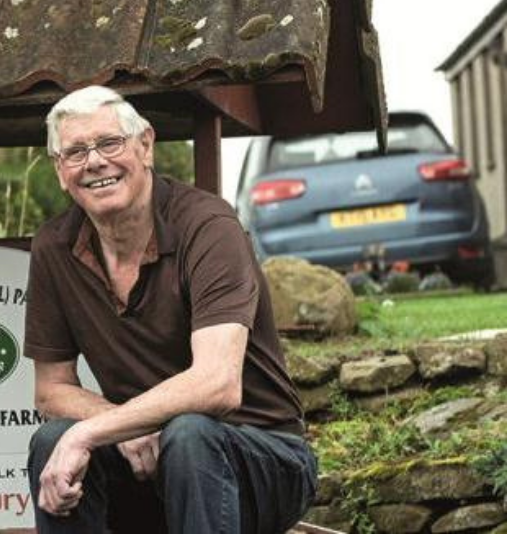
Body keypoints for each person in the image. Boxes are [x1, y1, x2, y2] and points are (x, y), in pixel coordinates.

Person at [23, 86, 317, 533]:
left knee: (189, 432)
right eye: (76, 152)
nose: (95, 162)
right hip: (144, 462)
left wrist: (93, 430)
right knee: (52, 439)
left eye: (109, 143)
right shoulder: (54, 246)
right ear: (61, 172)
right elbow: (51, 390)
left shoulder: (208, 227)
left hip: (260, 456)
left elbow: (218, 384)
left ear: (145, 146)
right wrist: (119, 427)